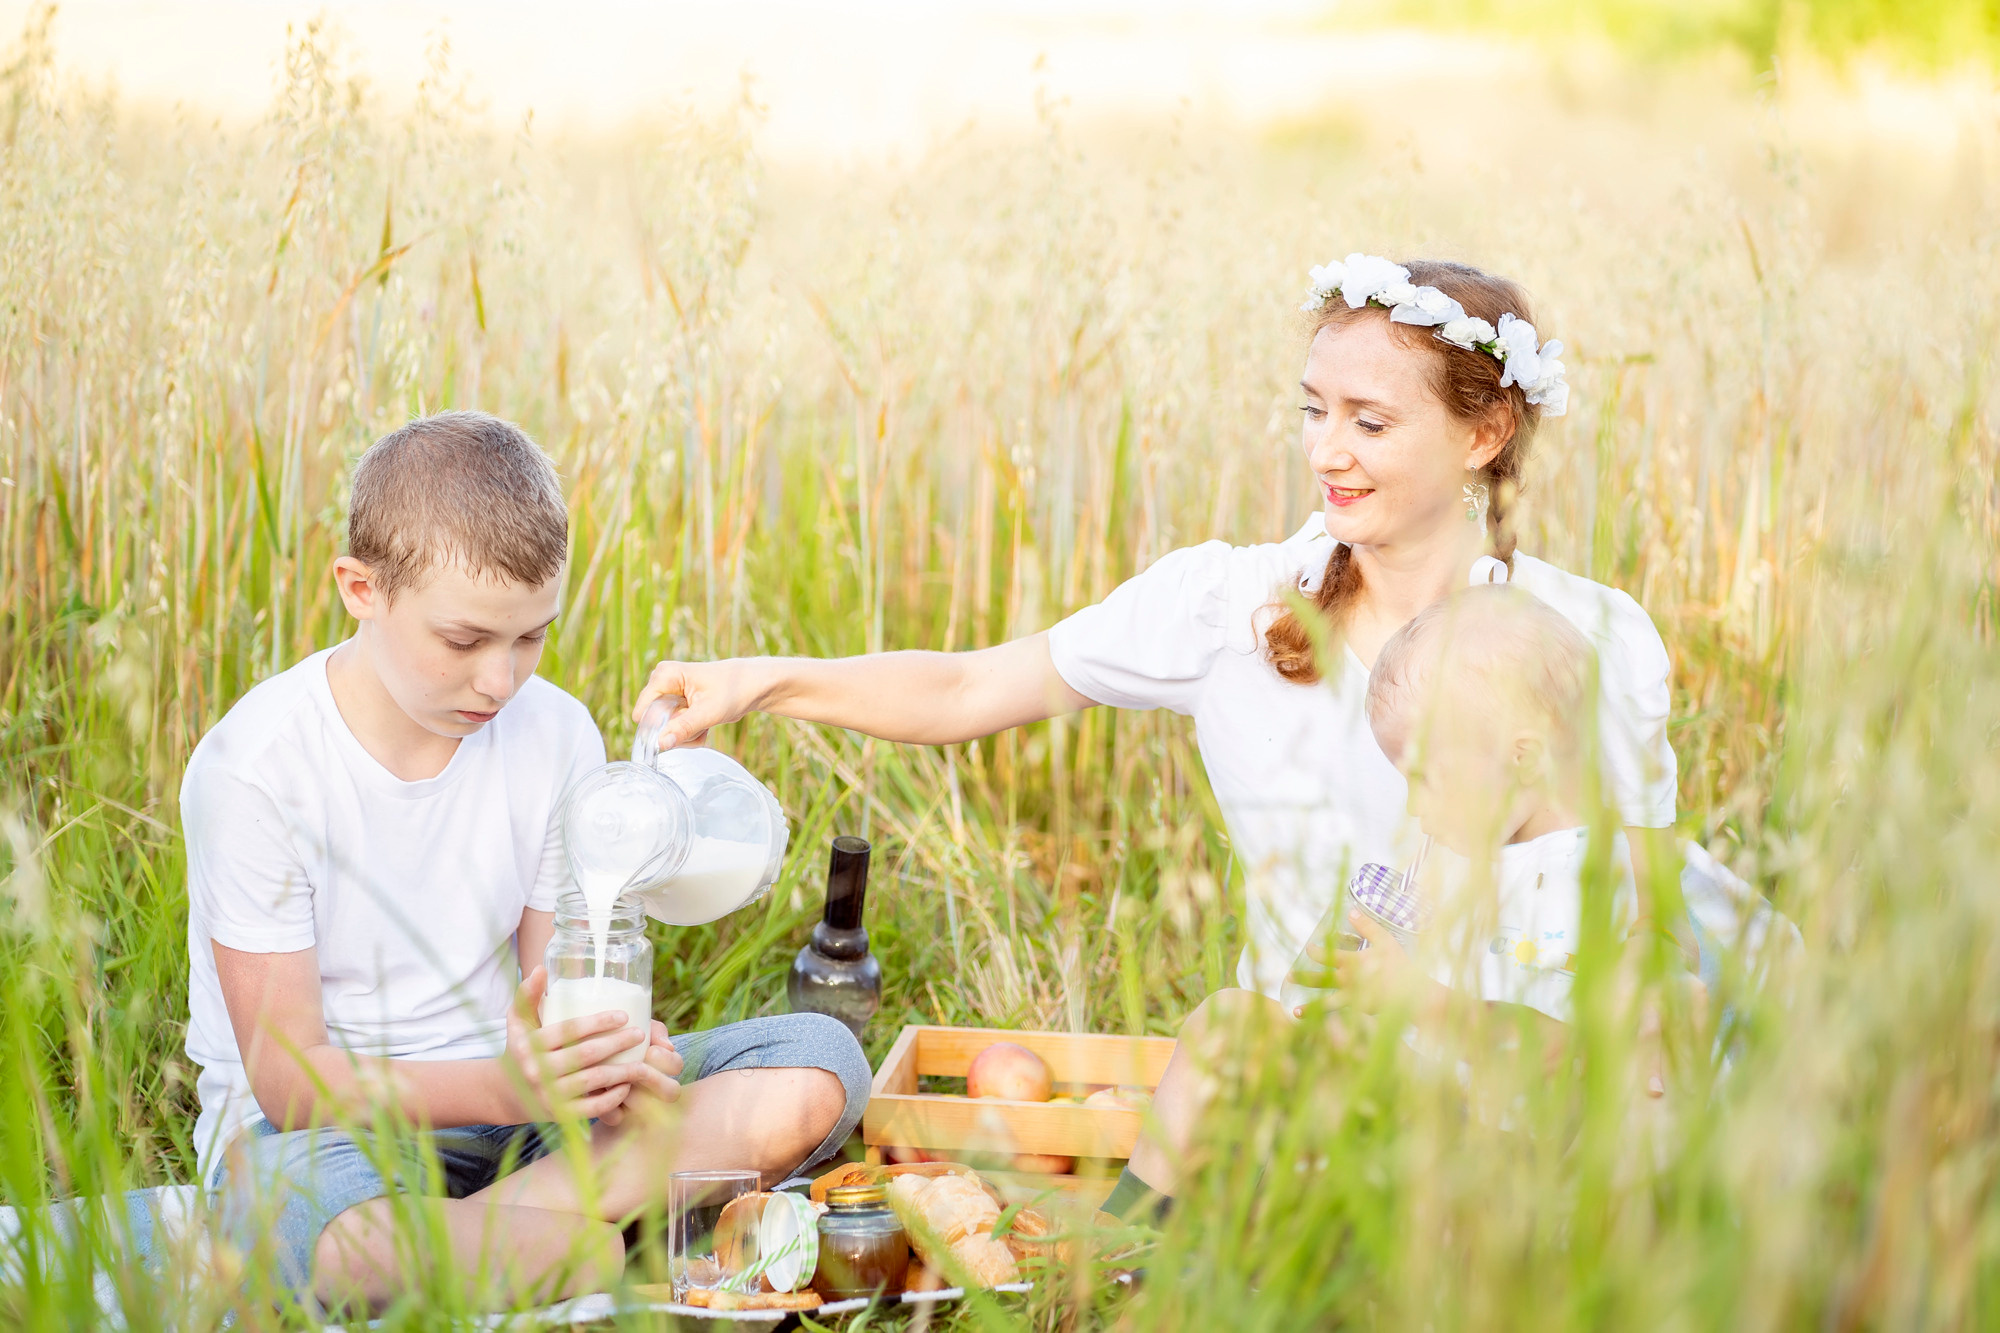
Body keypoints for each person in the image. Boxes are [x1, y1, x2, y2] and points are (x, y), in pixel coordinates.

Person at [630, 255, 1677, 1216]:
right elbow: (962, 688)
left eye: (1369, 422)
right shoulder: (1227, 609)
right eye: (1313, 410)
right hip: (1287, 1091)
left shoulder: (1585, 644)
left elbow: (1637, 931)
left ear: (1483, 433)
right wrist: (757, 681)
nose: (1325, 449)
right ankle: (1140, 1264)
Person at [181, 411, 872, 1313]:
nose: (500, 682)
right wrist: (507, 1085)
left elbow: (565, 984)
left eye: (530, 637)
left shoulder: (554, 733)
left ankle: (510, 1239)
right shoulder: (258, 768)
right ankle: (580, 1241)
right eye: (464, 641)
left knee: (820, 1059)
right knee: (319, 1231)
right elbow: (289, 1079)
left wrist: (608, 1067)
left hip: (524, 1128)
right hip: (323, 1139)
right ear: (360, 587)